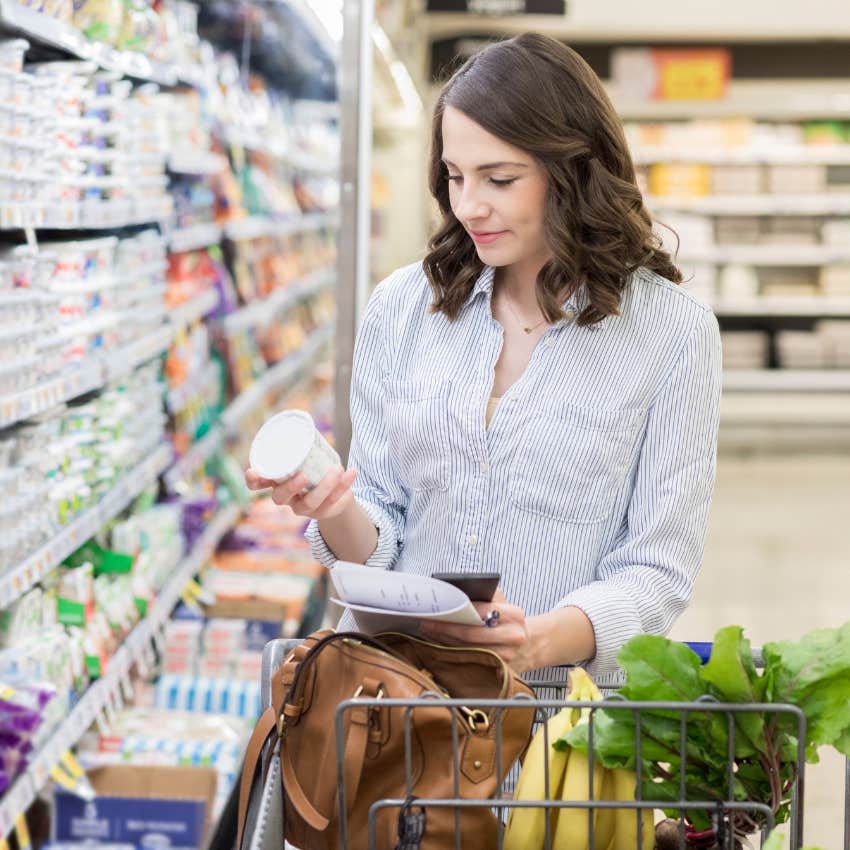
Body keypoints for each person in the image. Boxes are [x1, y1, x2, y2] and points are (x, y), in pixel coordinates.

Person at [245, 33, 722, 687]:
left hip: (557, 732)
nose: (469, 205)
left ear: (573, 170)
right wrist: (333, 508)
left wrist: (540, 641)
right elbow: (382, 527)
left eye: (499, 179)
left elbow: (657, 570)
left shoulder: (671, 334)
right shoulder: (403, 309)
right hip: (400, 719)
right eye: (454, 176)